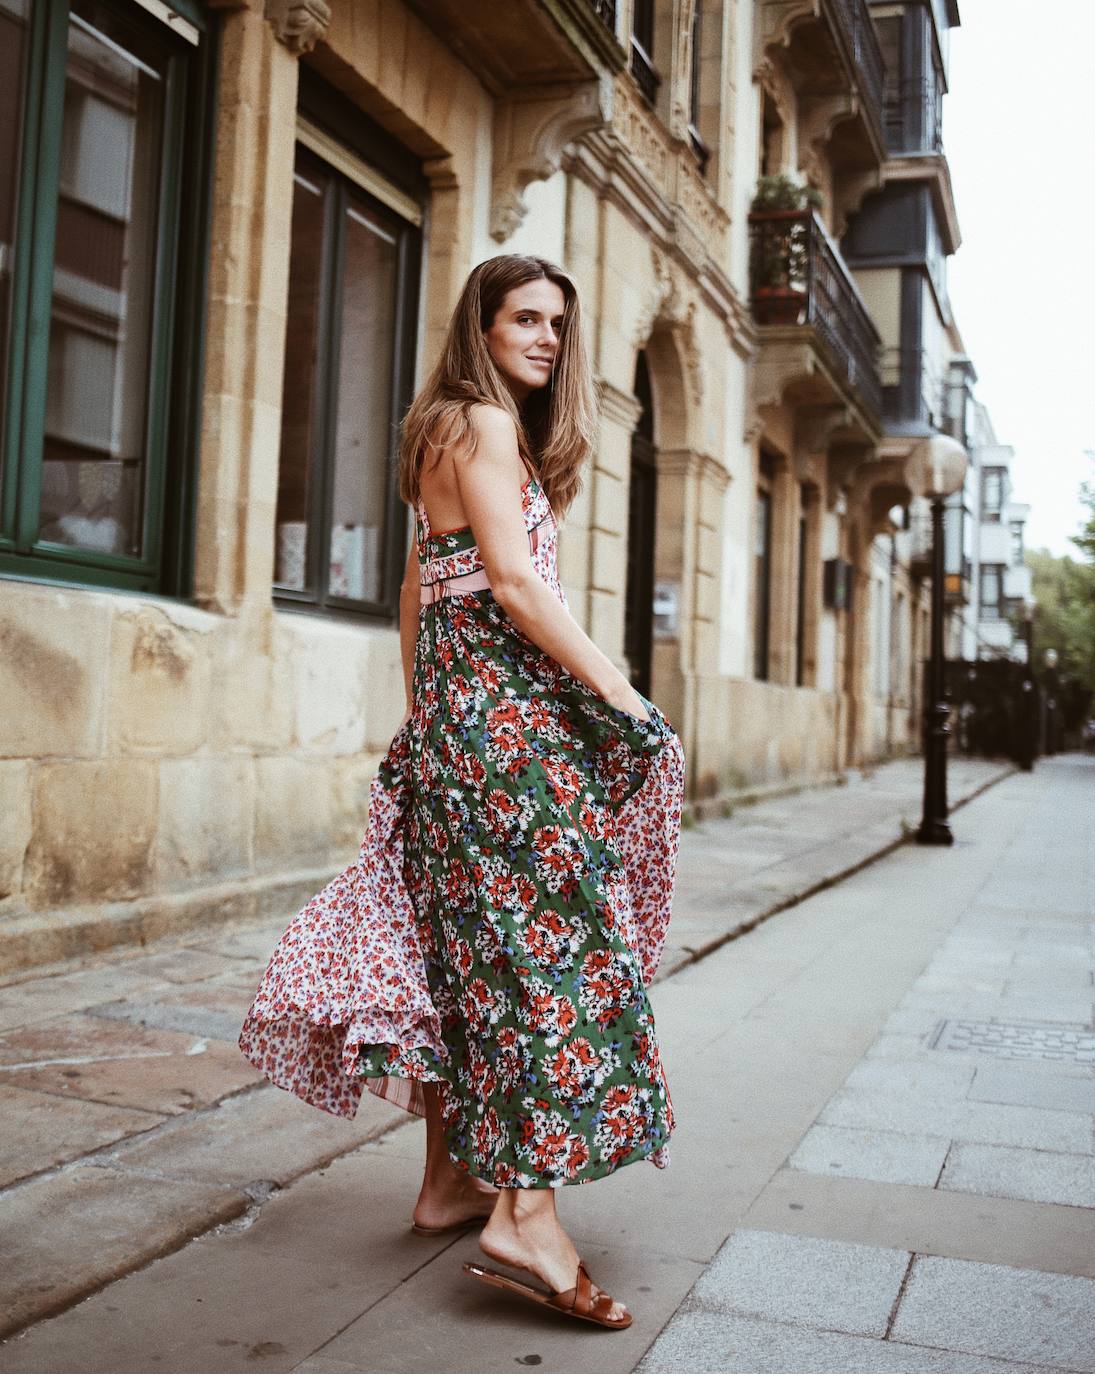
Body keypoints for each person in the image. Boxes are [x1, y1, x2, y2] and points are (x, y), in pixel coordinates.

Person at [240, 254, 685, 1331]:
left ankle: (447, 1183)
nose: (546, 339)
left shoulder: (436, 430)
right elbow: (517, 584)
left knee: (465, 960)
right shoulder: (483, 425)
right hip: (508, 739)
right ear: (479, 327)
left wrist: (426, 720)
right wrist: (623, 693)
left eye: (558, 325)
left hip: (457, 732)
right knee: (554, 956)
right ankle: (525, 1217)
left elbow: (415, 591)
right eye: (524, 319)